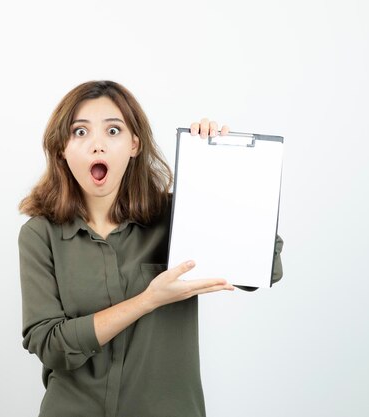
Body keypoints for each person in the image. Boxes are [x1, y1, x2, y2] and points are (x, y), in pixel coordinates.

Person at [17, 80, 283, 417]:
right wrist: (149, 300)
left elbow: (265, 267)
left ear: (134, 144)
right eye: (80, 133)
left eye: (113, 131)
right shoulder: (40, 234)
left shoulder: (178, 216)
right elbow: (51, 345)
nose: (97, 145)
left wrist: (218, 165)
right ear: (62, 150)